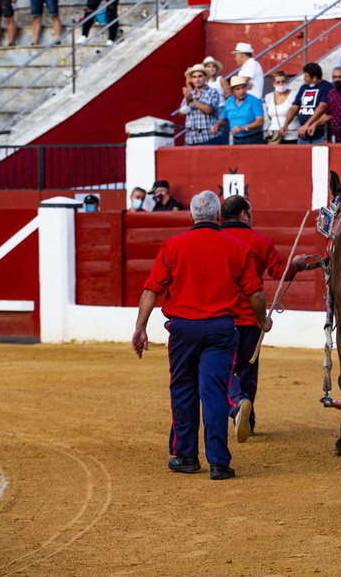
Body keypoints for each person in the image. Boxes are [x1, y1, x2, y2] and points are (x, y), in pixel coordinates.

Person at [132, 190, 271, 481]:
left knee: (183, 389)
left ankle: (185, 456)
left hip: (184, 329)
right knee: (215, 393)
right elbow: (255, 293)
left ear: (192, 216)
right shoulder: (236, 247)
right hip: (221, 328)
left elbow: (152, 289)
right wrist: (263, 322)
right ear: (218, 216)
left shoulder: (172, 245)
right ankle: (219, 462)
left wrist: (140, 327)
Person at [219, 195, 297, 443]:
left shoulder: (213, 239)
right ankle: (248, 421)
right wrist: (298, 265)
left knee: (222, 369)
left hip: (219, 317)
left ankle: (237, 407)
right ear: (244, 214)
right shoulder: (260, 241)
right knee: (247, 370)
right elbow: (280, 272)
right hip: (251, 319)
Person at [283, 62, 331, 144]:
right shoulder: (303, 87)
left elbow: (322, 106)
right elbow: (294, 107)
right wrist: (286, 124)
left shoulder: (327, 87)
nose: (304, 78)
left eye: (306, 76)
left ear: (314, 78)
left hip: (319, 136)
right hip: (303, 134)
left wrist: (307, 124)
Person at [179, 63, 223, 146]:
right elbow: (181, 113)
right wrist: (187, 102)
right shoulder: (190, 93)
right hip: (190, 139)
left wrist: (191, 99)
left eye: (200, 76)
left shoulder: (212, 91)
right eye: (194, 77)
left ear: (206, 78)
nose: (197, 79)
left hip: (208, 138)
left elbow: (208, 110)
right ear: (191, 79)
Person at [214, 76, 264, 145]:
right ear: (233, 91)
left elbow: (260, 121)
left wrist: (242, 128)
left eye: (243, 88)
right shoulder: (229, 102)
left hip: (254, 138)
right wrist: (217, 125)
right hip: (236, 139)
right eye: (238, 89)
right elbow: (223, 119)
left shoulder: (254, 100)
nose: (241, 91)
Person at [264, 70, 300, 143]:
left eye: (283, 81)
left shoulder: (295, 95)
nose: (281, 84)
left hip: (292, 134)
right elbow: (270, 116)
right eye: (278, 82)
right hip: (274, 136)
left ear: (287, 81)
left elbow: (296, 111)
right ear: (274, 83)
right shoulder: (269, 97)